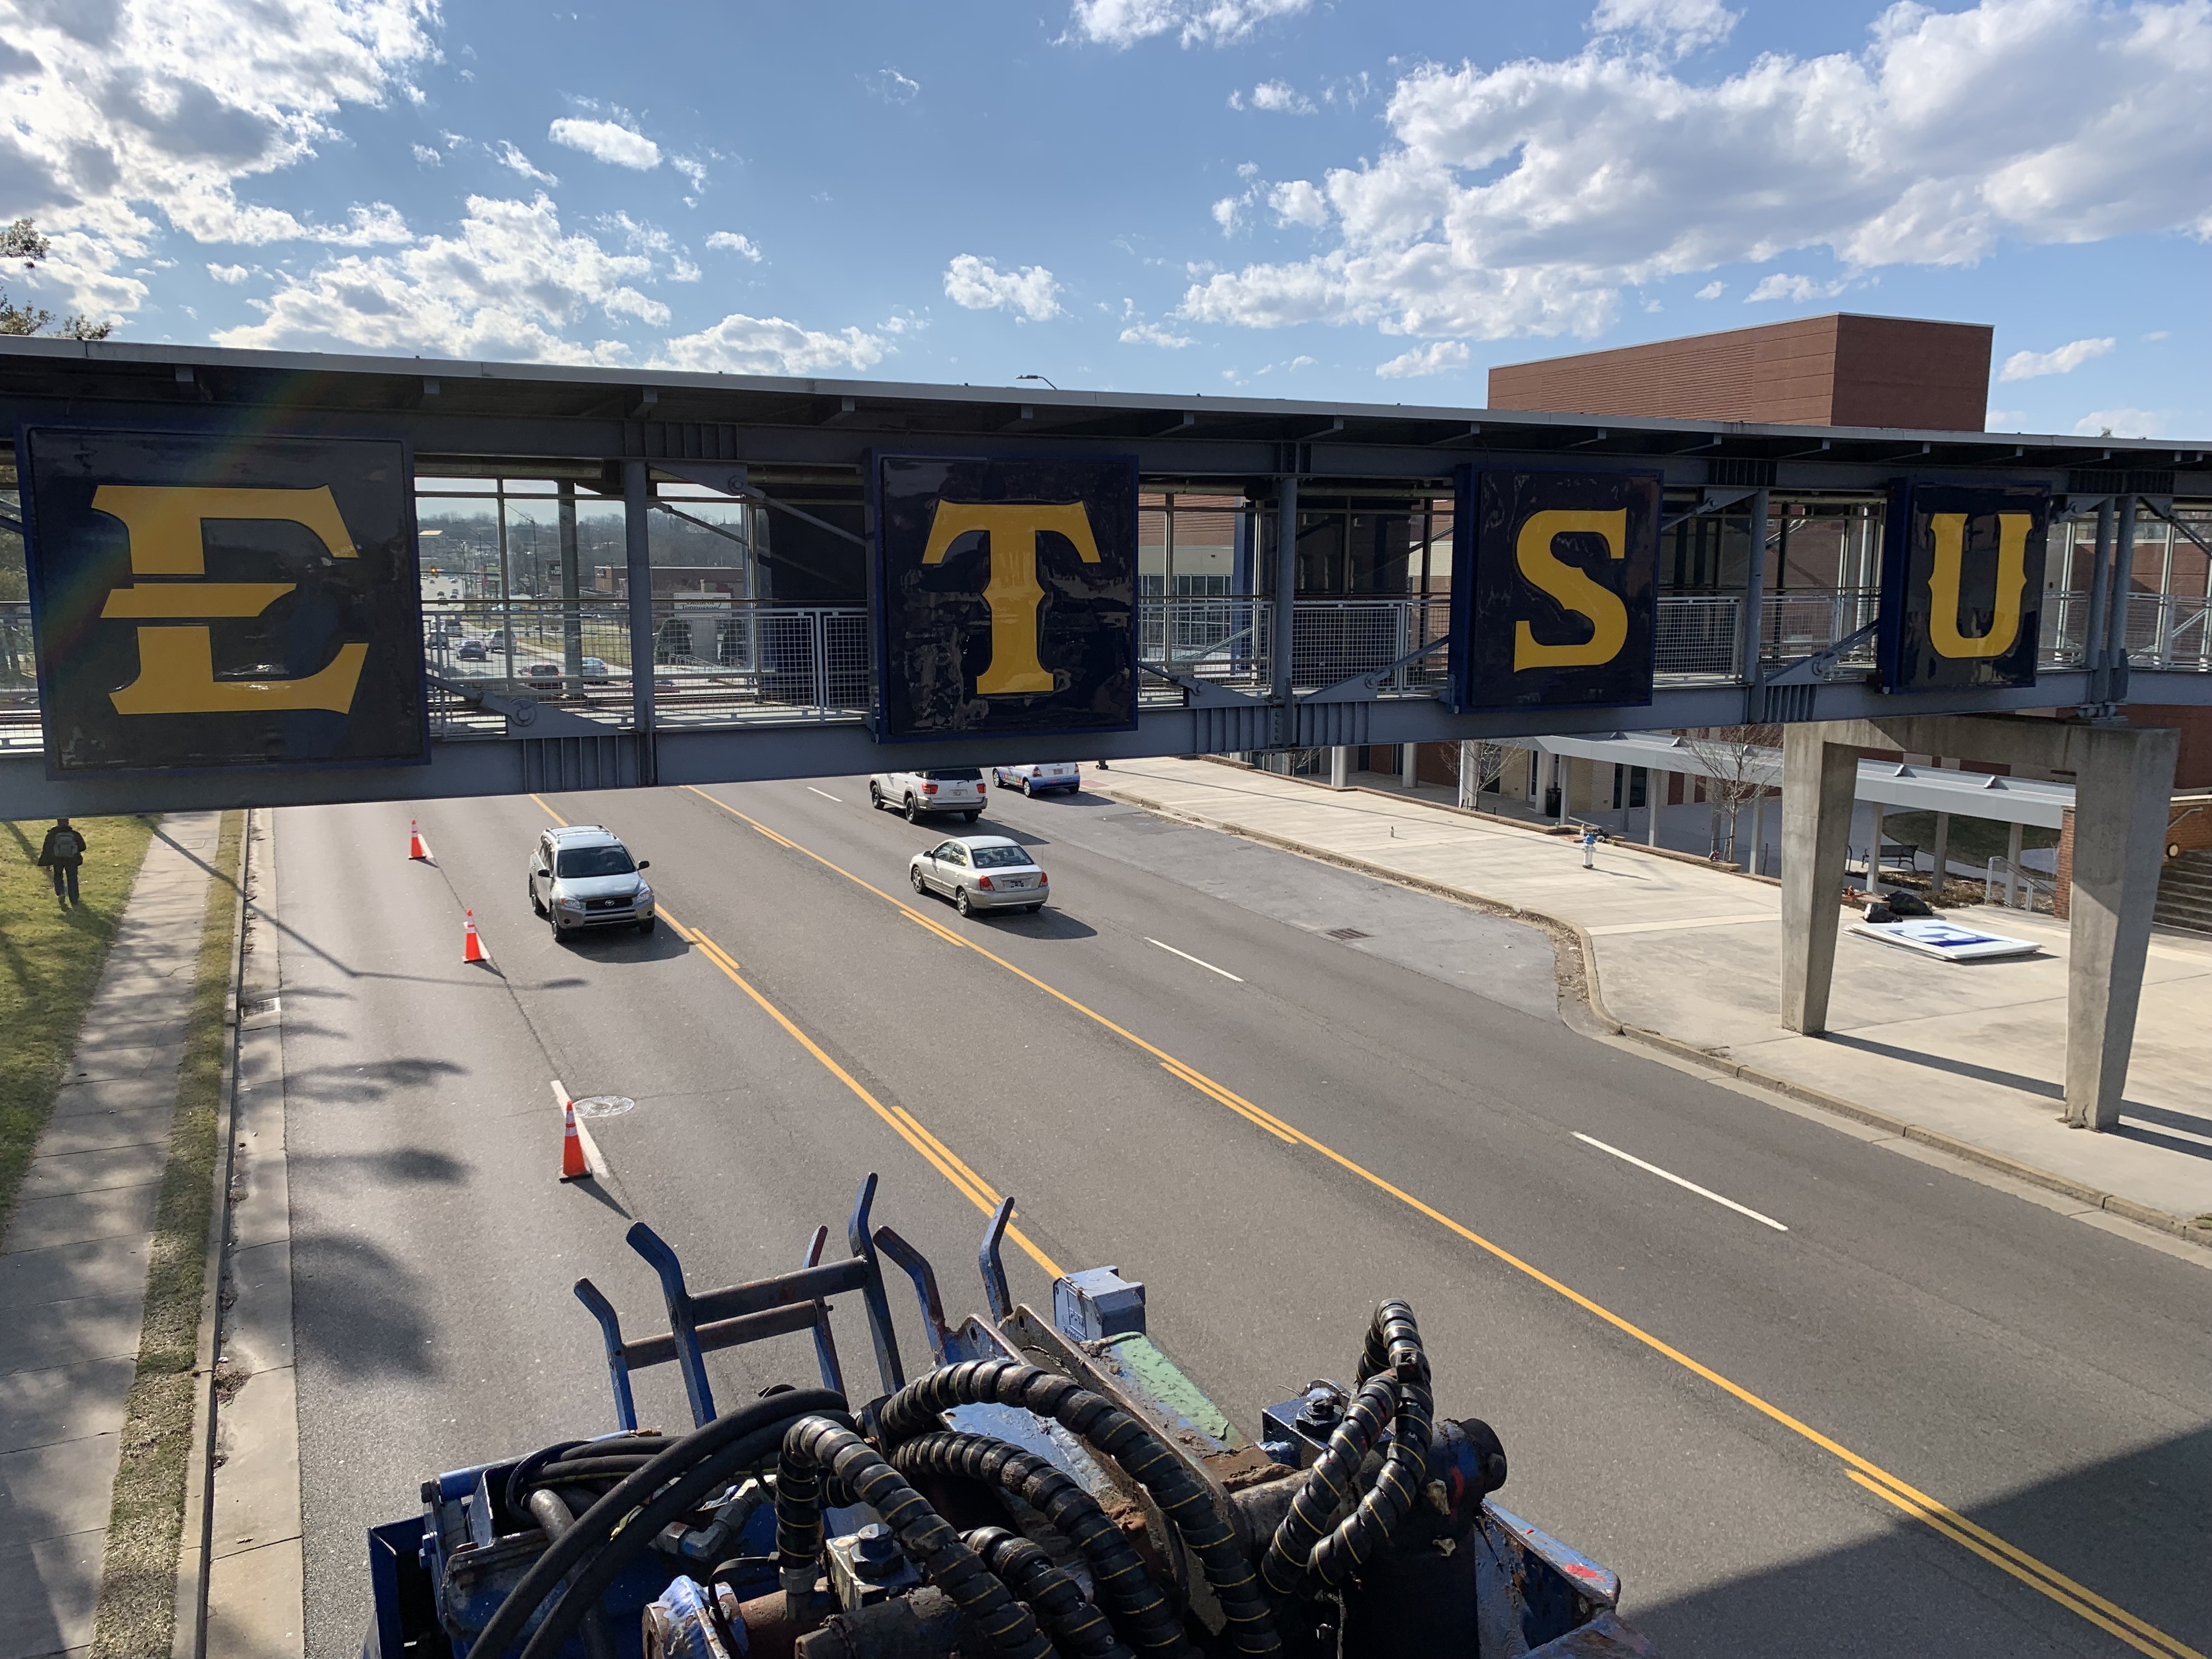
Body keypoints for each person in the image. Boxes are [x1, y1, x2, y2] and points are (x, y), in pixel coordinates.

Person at [37, 817, 87, 906]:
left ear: (58, 822)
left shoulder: (52, 834)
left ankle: (61, 893)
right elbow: (83, 847)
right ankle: (74, 899)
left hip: (57, 860)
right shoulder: (74, 834)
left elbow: (47, 850)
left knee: (58, 876)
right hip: (72, 860)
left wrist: (48, 863)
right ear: (68, 822)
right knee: (72, 878)